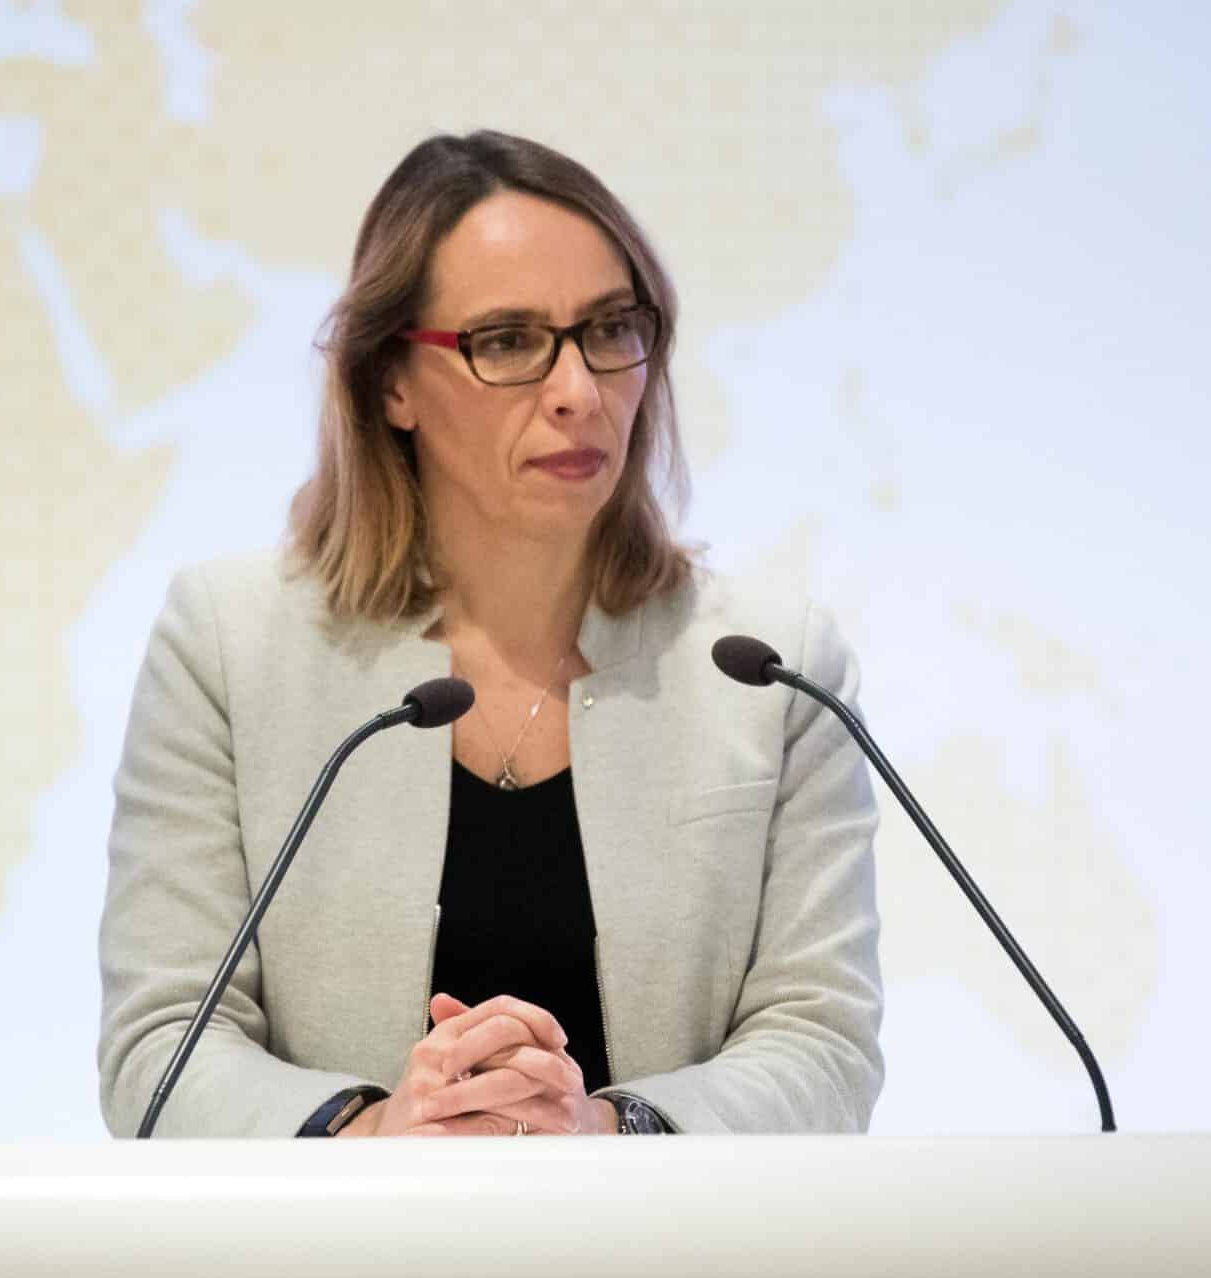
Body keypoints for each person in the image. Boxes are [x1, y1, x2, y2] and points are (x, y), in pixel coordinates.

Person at [97, 130, 881, 1139]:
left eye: (609, 330)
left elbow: (822, 1042)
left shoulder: (774, 666)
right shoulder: (227, 645)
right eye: (507, 342)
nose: (578, 391)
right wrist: (375, 1133)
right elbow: (160, 1044)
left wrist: (605, 1131)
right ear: (390, 382)